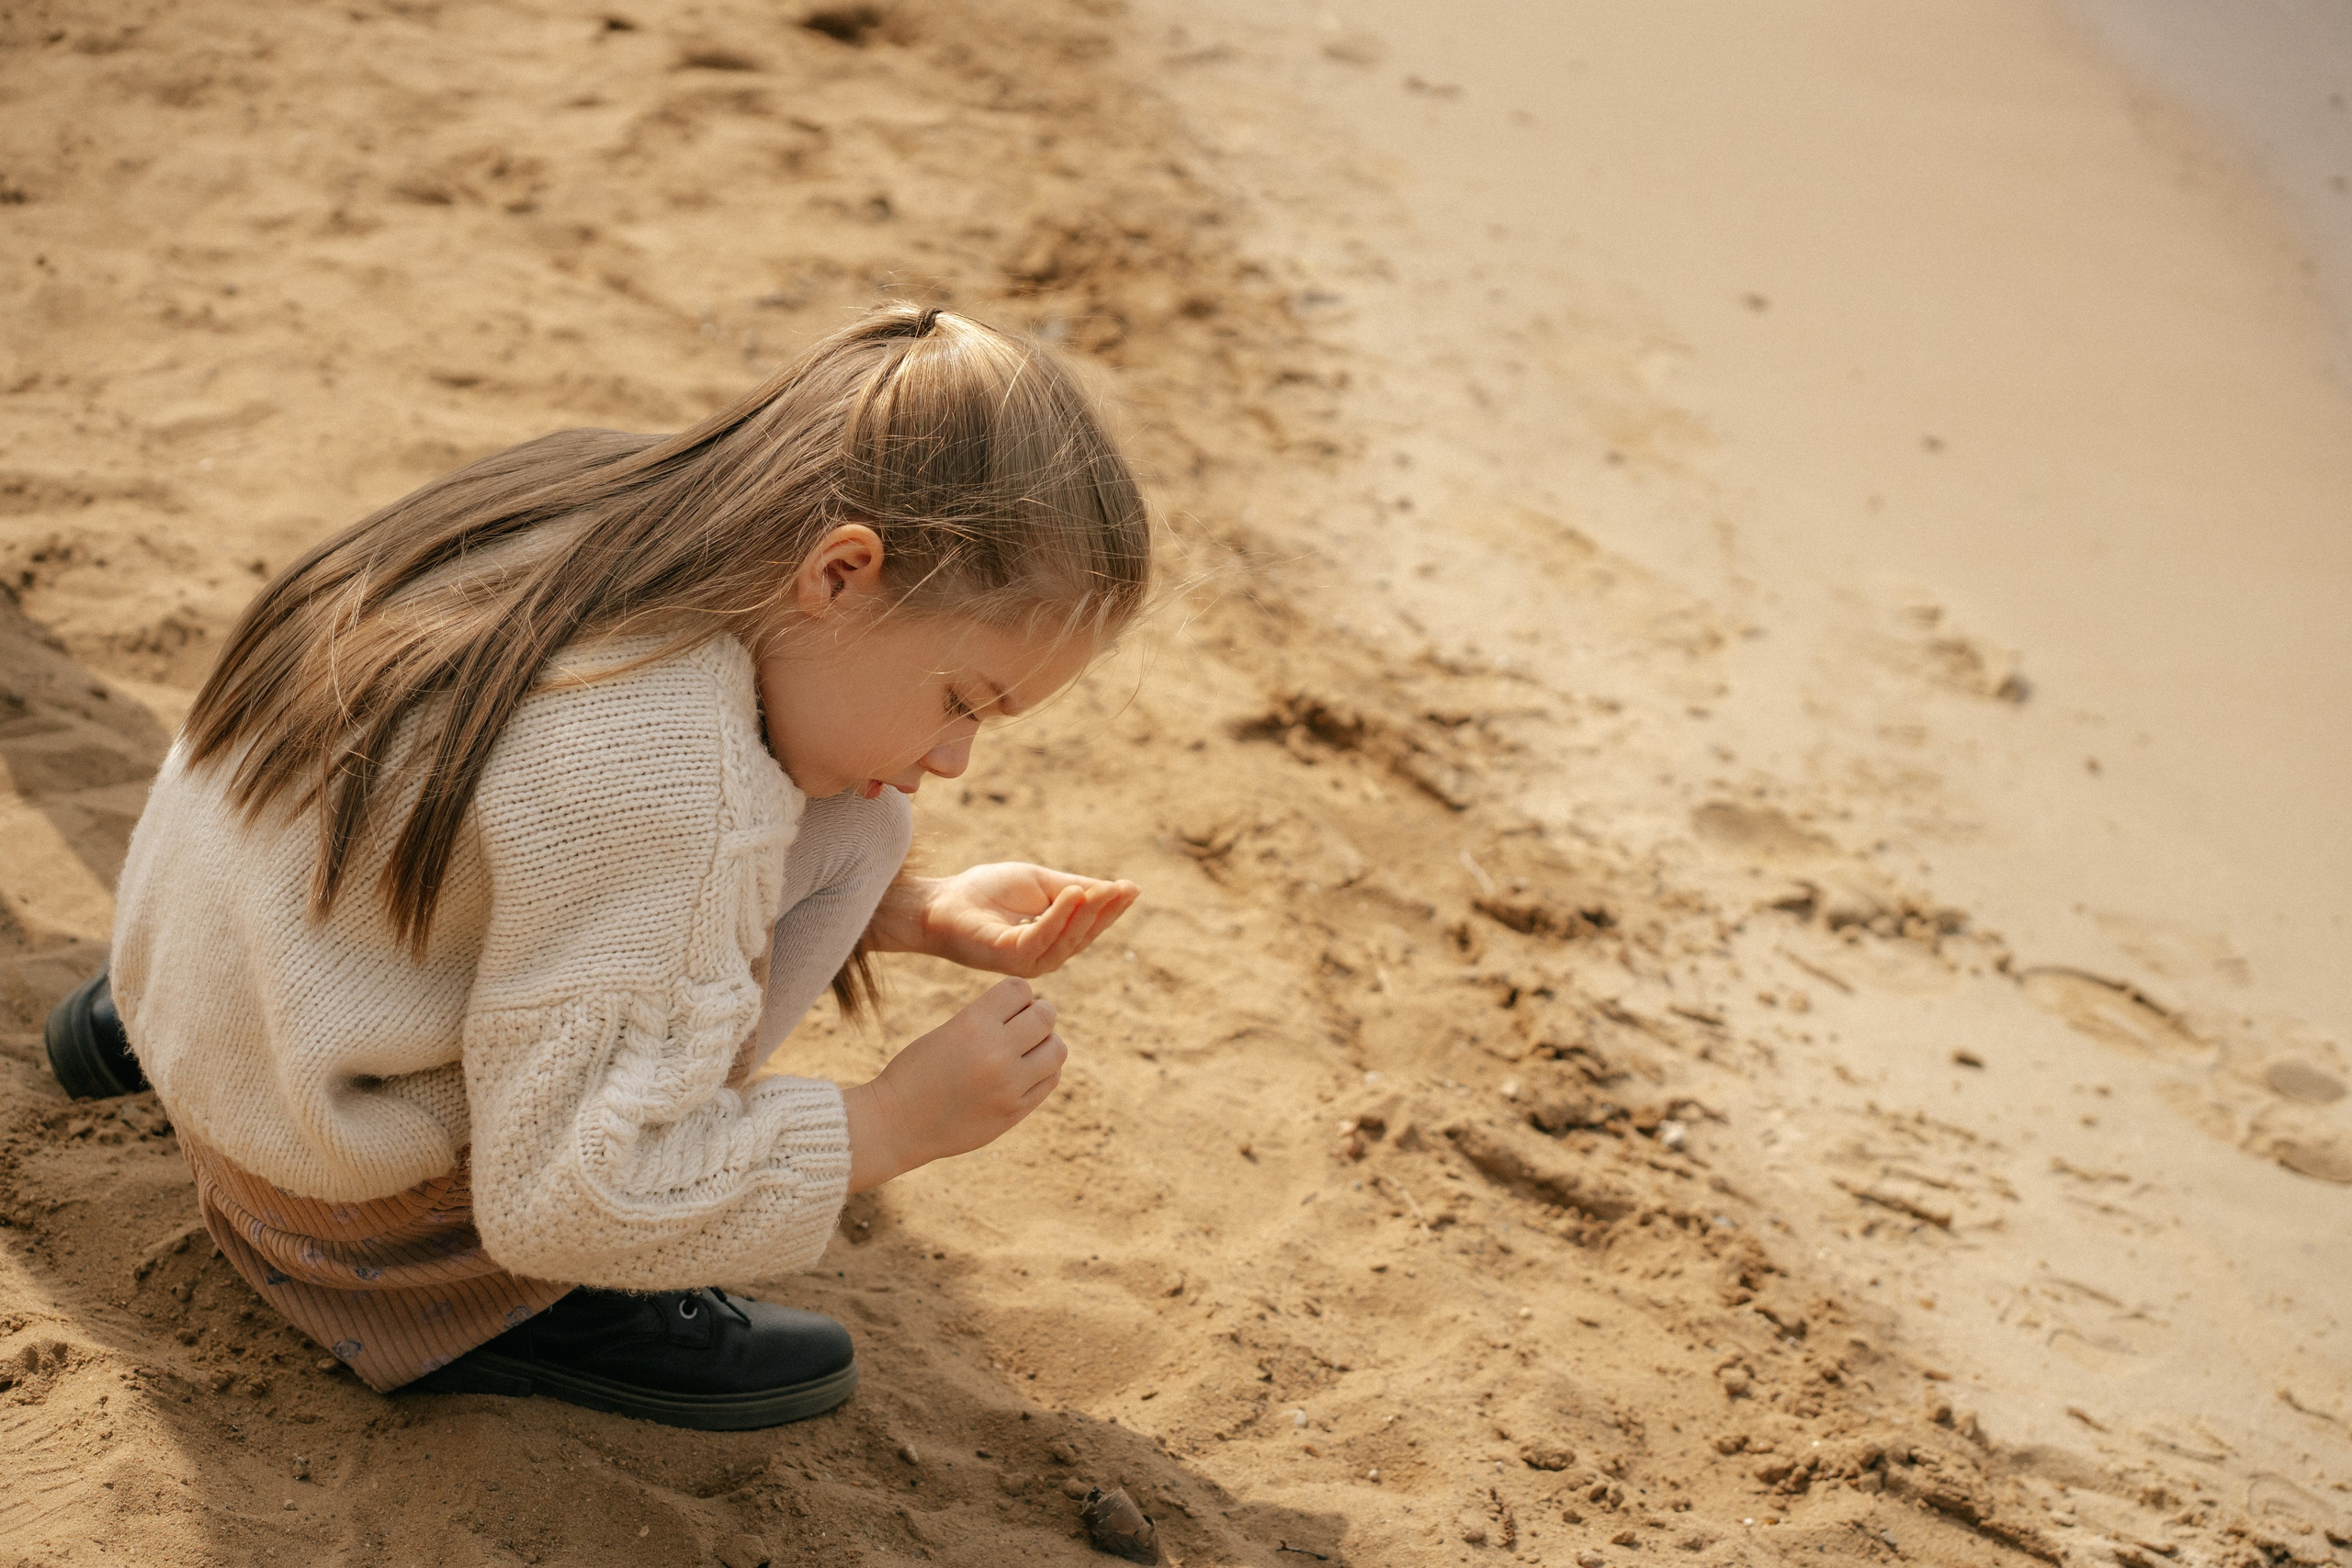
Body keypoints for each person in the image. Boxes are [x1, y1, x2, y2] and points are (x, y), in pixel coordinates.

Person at [74, 303, 1147, 1430]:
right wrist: (890, 1121)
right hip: (330, 1202)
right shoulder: (669, 774)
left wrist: (909, 914)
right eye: (961, 701)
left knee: (859, 827)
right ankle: (522, 1321)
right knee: (851, 831)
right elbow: (564, 1200)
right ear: (839, 574)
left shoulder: (606, 492)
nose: (955, 759)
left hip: (212, 978)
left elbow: (515, 833)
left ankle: (135, 1037)